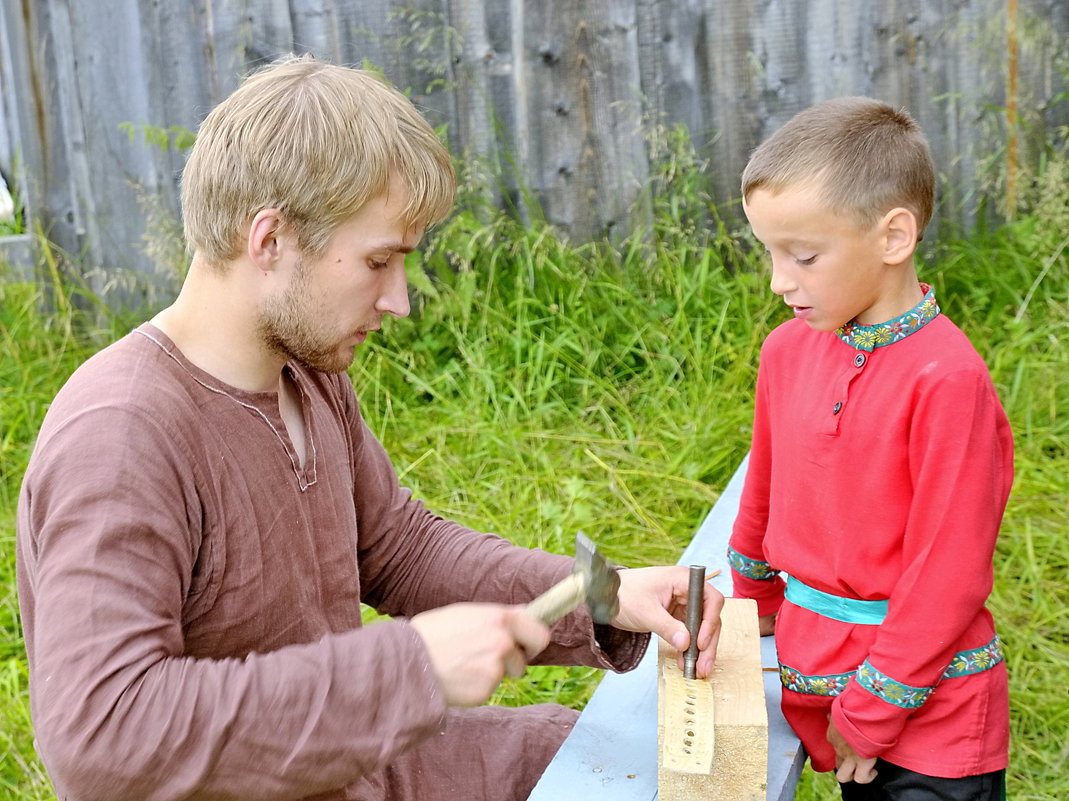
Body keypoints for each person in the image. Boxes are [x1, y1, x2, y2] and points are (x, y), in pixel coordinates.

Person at [15, 54, 723, 801]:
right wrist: (407, 668)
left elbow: (400, 548)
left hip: (355, 766)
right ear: (270, 240)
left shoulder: (308, 375)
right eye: (379, 261)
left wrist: (600, 596)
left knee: (605, 760)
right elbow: (102, 736)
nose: (399, 301)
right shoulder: (123, 434)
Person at [727, 97, 1013, 800]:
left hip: (934, 712)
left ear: (892, 237)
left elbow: (948, 569)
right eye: (768, 252)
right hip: (823, 678)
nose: (777, 281)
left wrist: (874, 705)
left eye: (802, 256)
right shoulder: (786, 350)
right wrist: (751, 609)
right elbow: (766, 487)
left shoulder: (947, 381)